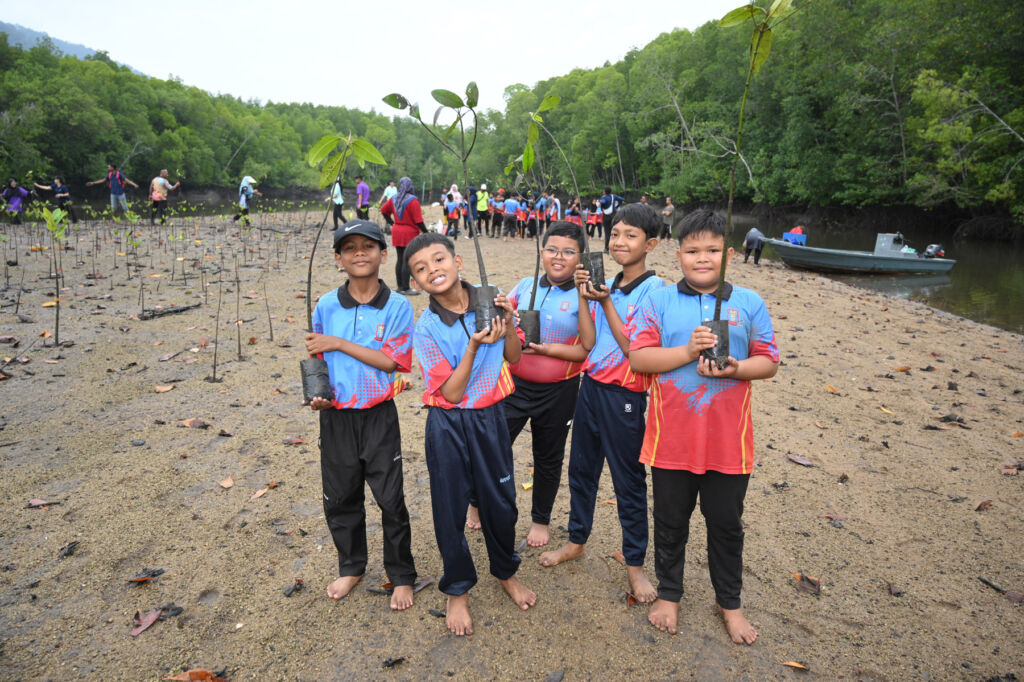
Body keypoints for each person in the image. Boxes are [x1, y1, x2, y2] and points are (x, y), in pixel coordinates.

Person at [627, 208, 779, 643]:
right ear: (679, 256)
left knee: (726, 525)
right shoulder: (658, 300)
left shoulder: (749, 302)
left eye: (712, 250)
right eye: (693, 251)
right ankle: (670, 593)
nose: (703, 258)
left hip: (728, 444)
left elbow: (769, 361)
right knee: (670, 520)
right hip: (670, 439)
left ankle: (729, 602)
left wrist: (736, 369)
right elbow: (639, 358)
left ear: (728, 254)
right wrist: (687, 350)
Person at [405, 232, 536, 636]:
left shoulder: (491, 297)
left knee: (501, 502)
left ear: (458, 261)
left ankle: (504, 571)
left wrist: (509, 321)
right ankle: (458, 589)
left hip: (491, 417)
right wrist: (475, 347)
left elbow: (513, 357)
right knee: (450, 508)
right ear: (416, 283)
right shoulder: (426, 328)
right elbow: (452, 392)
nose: (433, 271)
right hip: (448, 424)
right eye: (421, 269)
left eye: (439, 260)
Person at [539, 203, 665, 605]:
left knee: (628, 481)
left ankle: (635, 566)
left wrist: (606, 301)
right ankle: (576, 540)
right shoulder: (603, 279)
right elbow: (590, 341)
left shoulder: (655, 291)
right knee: (581, 471)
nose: (620, 241)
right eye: (615, 234)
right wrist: (584, 295)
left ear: (652, 243)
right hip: (590, 387)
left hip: (625, 395)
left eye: (631, 235)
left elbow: (633, 348)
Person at [304, 219, 418, 610]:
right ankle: (352, 566)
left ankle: (401, 573)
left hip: (378, 416)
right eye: (349, 248)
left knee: (390, 498)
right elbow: (317, 361)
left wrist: (339, 342)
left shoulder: (399, 306)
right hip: (336, 418)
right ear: (339, 259)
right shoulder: (325, 306)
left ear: (383, 255)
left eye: (367, 247)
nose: (359, 254)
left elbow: (392, 361)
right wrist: (318, 397)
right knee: (340, 497)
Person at [489, 222, 588, 547]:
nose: (559, 257)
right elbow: (504, 325)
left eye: (568, 251)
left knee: (548, 456)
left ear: (580, 256)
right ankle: (478, 504)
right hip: (513, 385)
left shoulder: (584, 296)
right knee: (493, 447)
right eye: (552, 250)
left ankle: (540, 520)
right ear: (541, 252)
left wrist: (546, 349)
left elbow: (585, 349)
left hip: (559, 391)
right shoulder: (526, 285)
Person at [380, 177, 427, 296]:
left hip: (397, 230)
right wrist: (427, 233)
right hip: (409, 232)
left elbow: (384, 210)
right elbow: (418, 221)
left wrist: (391, 222)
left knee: (400, 259)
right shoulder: (413, 200)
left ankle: (400, 286)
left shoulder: (394, 198)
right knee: (407, 260)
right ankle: (406, 288)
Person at [599, 187, 626, 254]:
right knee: (614, 232)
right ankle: (616, 247)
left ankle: (607, 248)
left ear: (605, 192)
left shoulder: (604, 197)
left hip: (606, 216)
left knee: (607, 232)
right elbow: (622, 199)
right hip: (614, 215)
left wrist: (600, 203)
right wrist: (617, 206)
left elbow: (603, 202)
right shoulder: (613, 196)